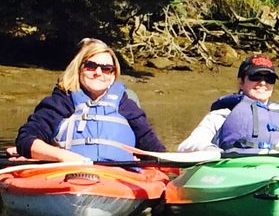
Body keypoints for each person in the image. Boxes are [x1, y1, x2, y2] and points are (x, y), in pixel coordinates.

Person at [15, 38, 166, 163]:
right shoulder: (62, 101)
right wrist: (62, 156)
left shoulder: (126, 106)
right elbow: (26, 139)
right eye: (91, 66)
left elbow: (153, 148)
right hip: (69, 175)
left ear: (114, 75)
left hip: (118, 177)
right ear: (79, 68)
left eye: (107, 69)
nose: (98, 73)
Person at [176, 54, 279, 152]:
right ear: (241, 82)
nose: (263, 83)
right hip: (235, 169)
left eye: (269, 79)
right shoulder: (221, 116)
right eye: (255, 77)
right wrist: (211, 150)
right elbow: (186, 146)